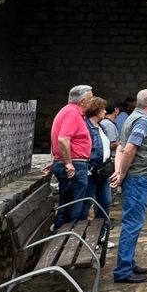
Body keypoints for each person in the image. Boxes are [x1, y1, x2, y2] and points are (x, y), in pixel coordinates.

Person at [111, 89, 147, 283]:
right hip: (138, 177)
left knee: (133, 222)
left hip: (136, 177)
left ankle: (129, 261)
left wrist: (119, 171)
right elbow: (131, 148)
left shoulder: (132, 118)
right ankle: (123, 270)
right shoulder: (142, 121)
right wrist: (123, 172)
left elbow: (122, 148)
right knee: (133, 223)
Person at [50, 84, 94, 228]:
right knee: (73, 206)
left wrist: (55, 160)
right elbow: (62, 139)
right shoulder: (72, 113)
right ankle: (69, 236)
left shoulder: (70, 112)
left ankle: (66, 236)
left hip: (74, 164)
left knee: (69, 204)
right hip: (74, 165)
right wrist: (68, 163)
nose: (93, 100)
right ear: (82, 101)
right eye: (91, 97)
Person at [83, 96, 113, 219]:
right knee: (87, 202)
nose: (105, 112)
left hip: (103, 171)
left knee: (106, 201)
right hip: (91, 171)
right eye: (103, 109)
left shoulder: (102, 127)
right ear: (96, 110)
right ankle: (81, 230)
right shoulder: (86, 127)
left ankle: (102, 232)